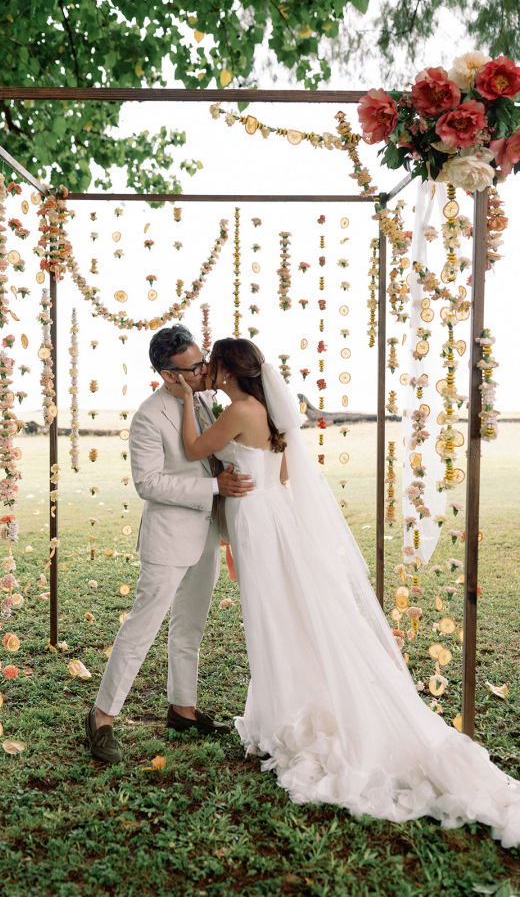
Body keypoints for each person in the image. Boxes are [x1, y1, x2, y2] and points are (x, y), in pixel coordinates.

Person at [164, 336, 520, 849]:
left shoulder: (239, 409)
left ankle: (285, 710)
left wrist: (184, 403)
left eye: (214, 364)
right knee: (283, 613)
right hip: (268, 512)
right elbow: (281, 469)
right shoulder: (263, 410)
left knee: (272, 616)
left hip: (257, 519)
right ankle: (283, 704)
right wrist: (239, 472)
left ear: (230, 370)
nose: (208, 371)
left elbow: (195, 449)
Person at [84, 325, 255, 763]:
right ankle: (102, 718)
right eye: (194, 367)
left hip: (206, 532)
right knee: (141, 627)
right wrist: (214, 487)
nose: (204, 371)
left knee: (190, 626)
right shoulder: (148, 416)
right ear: (167, 375)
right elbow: (149, 483)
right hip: (168, 537)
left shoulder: (203, 400)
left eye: (203, 361)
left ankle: (183, 709)